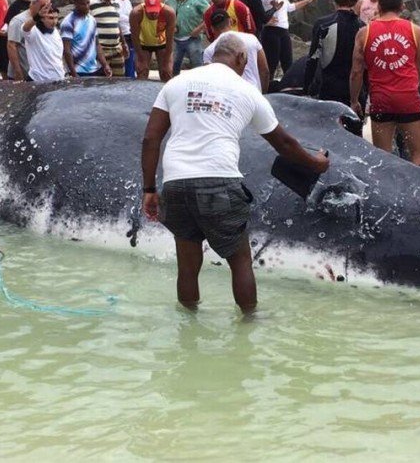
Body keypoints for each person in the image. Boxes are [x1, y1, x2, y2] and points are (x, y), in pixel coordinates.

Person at [141, 35, 330, 313]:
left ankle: (189, 326)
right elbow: (285, 144)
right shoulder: (247, 91)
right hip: (219, 179)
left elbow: (150, 139)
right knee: (239, 260)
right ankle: (248, 327)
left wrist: (149, 189)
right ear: (241, 59)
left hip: (176, 182)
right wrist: (316, 163)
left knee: (188, 265)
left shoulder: (176, 83)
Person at [348, 0, 420, 166]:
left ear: (379, 6)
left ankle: (389, 193)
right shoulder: (417, 32)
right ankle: (414, 193)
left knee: (383, 160)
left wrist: (354, 100)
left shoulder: (364, 33)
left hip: (380, 100)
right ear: (402, 6)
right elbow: (418, 70)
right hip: (408, 98)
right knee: (419, 155)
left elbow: (356, 72)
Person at [303, 0, 365, 135]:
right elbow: (367, 67)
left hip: (330, 91)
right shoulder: (363, 27)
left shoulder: (323, 24)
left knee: (328, 138)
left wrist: (305, 90)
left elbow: (313, 59)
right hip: (357, 94)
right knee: (355, 140)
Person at [258, 0, 318, 80]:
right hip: (271, 32)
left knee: (287, 61)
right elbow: (257, 12)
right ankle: (267, 87)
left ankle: (287, 85)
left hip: (284, 31)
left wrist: (308, 0)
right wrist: (265, 21)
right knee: (272, 62)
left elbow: (290, 7)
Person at [202, 10, 268, 92]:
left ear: (212, 28)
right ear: (230, 22)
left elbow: (210, 79)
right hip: (254, 91)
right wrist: (263, 94)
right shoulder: (251, 39)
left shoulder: (209, 50)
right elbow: (264, 70)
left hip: (228, 96)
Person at [163, 0, 210, 73]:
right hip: (175, 39)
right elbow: (164, 16)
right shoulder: (170, 1)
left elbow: (210, 15)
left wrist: (199, 29)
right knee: (173, 66)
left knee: (197, 65)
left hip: (193, 38)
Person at [62, 0, 110, 78]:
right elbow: (67, 50)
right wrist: (74, 74)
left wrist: (105, 65)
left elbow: (97, 45)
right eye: (83, 4)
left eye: (88, 3)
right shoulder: (68, 22)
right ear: (75, 3)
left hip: (95, 69)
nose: (87, 6)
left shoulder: (92, 20)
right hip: (78, 71)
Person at [21, 0, 68, 83]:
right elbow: (25, 28)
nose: (54, 21)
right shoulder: (33, 31)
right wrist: (37, 16)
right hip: (38, 81)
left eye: (56, 18)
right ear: (42, 18)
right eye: (50, 18)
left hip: (58, 79)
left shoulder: (56, 32)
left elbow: (57, 57)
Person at [131, 0, 177, 81]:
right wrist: (141, 58)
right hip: (143, 44)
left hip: (162, 44)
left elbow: (170, 39)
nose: (153, 15)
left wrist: (166, 61)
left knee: (166, 73)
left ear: (160, 6)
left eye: (155, 11)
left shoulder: (169, 13)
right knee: (142, 72)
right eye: (150, 12)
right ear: (145, 7)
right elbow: (135, 37)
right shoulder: (136, 13)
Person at [91, 0, 129, 77]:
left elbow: (117, 24)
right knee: (103, 81)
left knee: (119, 80)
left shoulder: (115, 4)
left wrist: (124, 43)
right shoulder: (92, 4)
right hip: (102, 50)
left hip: (117, 49)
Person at [116, 0, 138, 78]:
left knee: (131, 63)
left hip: (130, 35)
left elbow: (132, 16)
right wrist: (130, 18)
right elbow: (117, 17)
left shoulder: (128, 2)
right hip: (119, 37)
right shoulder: (113, 0)